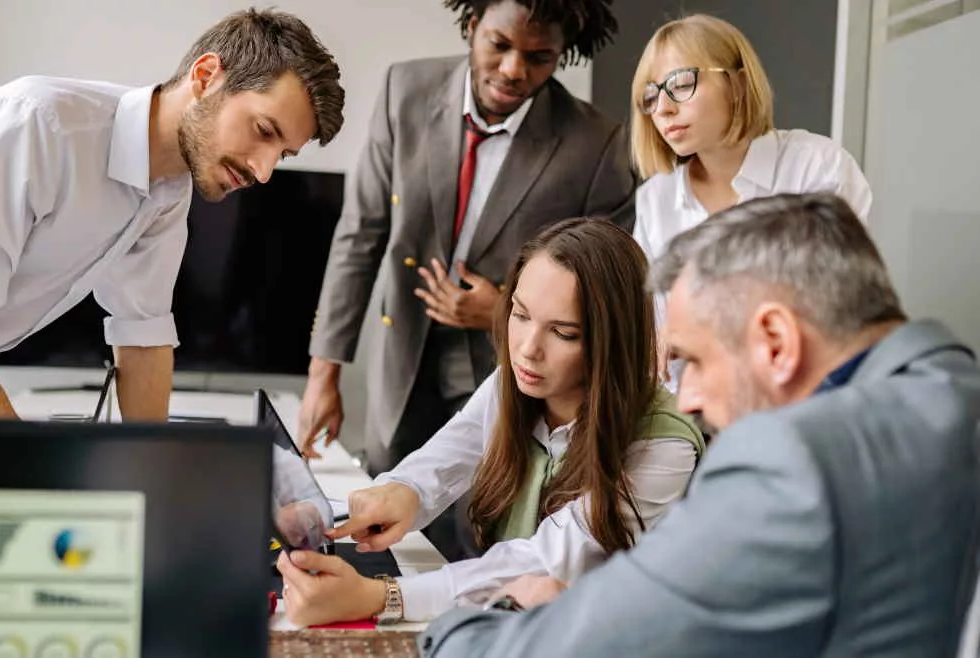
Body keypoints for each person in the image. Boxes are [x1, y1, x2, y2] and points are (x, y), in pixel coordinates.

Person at [416, 192, 980, 658]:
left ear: (776, 343)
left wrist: (473, 623)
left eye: (696, 361)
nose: (687, 398)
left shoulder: (795, 462)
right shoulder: (950, 388)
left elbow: (603, 641)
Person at [0, 9, 344, 417]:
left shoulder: (169, 186)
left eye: (284, 154)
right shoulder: (36, 125)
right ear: (207, 76)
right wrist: (41, 490)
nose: (265, 170)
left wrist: (150, 490)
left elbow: (144, 339)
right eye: (264, 131)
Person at [276, 218, 704, 626]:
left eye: (564, 333)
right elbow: (447, 455)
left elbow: (544, 559)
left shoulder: (664, 445)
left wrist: (382, 597)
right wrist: (392, 494)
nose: (528, 349)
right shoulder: (517, 381)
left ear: (613, 340)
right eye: (520, 315)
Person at [298, 0, 636, 479]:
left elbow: (605, 289)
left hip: (509, 365)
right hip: (402, 351)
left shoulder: (598, 145)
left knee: (479, 526)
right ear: (474, 26)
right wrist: (322, 375)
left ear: (563, 54)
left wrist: (502, 310)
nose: (513, 70)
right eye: (499, 45)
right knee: (386, 507)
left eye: (539, 57)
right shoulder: (405, 92)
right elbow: (361, 235)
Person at [628, 14, 872, 385]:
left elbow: (836, 307)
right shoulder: (654, 198)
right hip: (690, 418)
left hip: (802, 400)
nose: (663, 108)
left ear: (738, 83)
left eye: (680, 84)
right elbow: (653, 336)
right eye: (651, 94)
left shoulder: (819, 167)